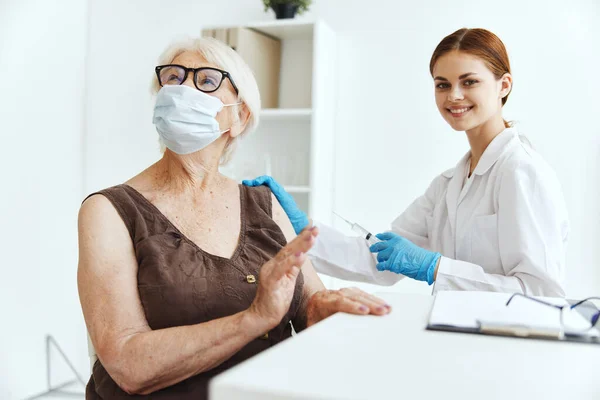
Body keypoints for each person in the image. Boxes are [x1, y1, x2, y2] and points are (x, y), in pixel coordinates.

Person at [77, 36, 391, 399]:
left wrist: (327, 306)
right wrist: (252, 319)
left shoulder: (264, 203)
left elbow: (309, 304)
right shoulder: (109, 210)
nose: (183, 91)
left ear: (240, 116)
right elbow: (129, 366)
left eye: (206, 81)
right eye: (173, 78)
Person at [245, 28, 569, 297]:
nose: (453, 95)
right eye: (442, 84)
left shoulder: (521, 171)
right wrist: (299, 228)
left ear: (504, 85)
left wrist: (435, 268)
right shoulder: (448, 184)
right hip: (452, 338)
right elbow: (377, 261)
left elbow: (541, 293)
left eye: (469, 82)